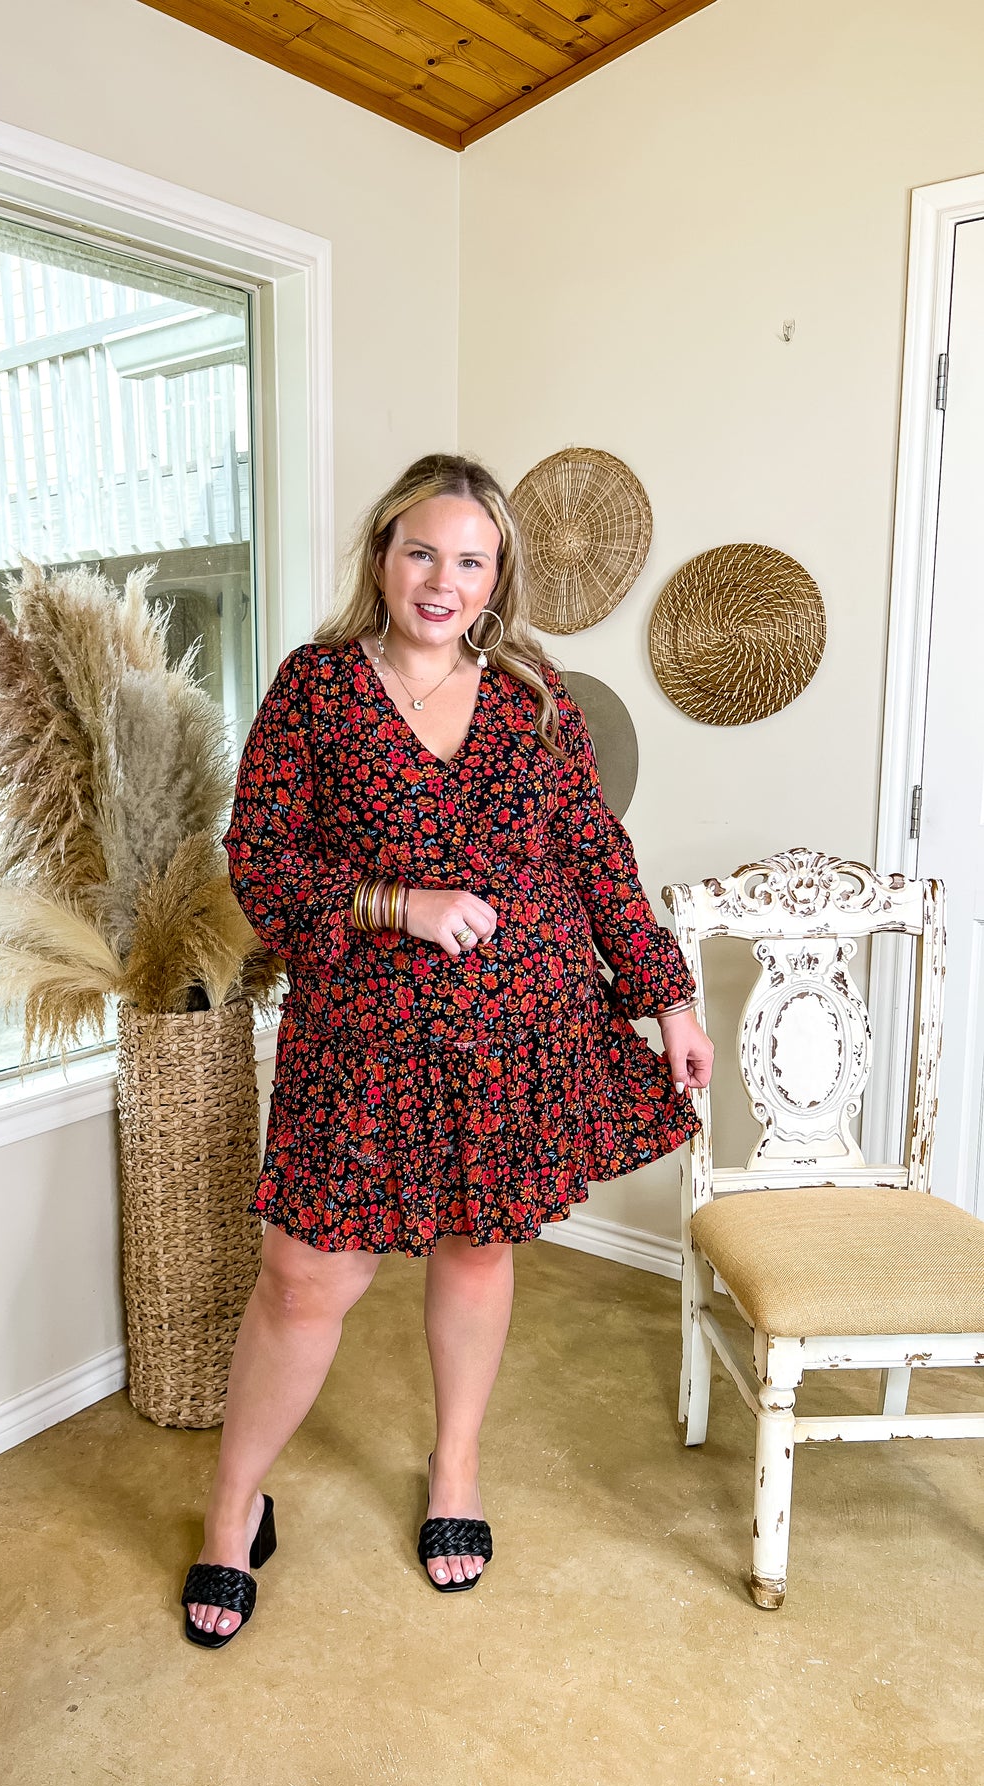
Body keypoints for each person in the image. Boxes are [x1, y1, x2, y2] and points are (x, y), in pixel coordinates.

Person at [180, 452, 714, 1647]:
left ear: (496, 579)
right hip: (362, 1042)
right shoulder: (316, 687)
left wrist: (668, 998)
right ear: (383, 554)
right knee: (305, 1280)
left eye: (471, 561)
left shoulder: (534, 693)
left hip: (515, 1030)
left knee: (478, 1252)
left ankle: (455, 1467)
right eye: (422, 551)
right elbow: (260, 859)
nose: (442, 580)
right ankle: (233, 1508)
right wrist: (398, 903)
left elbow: (594, 851)